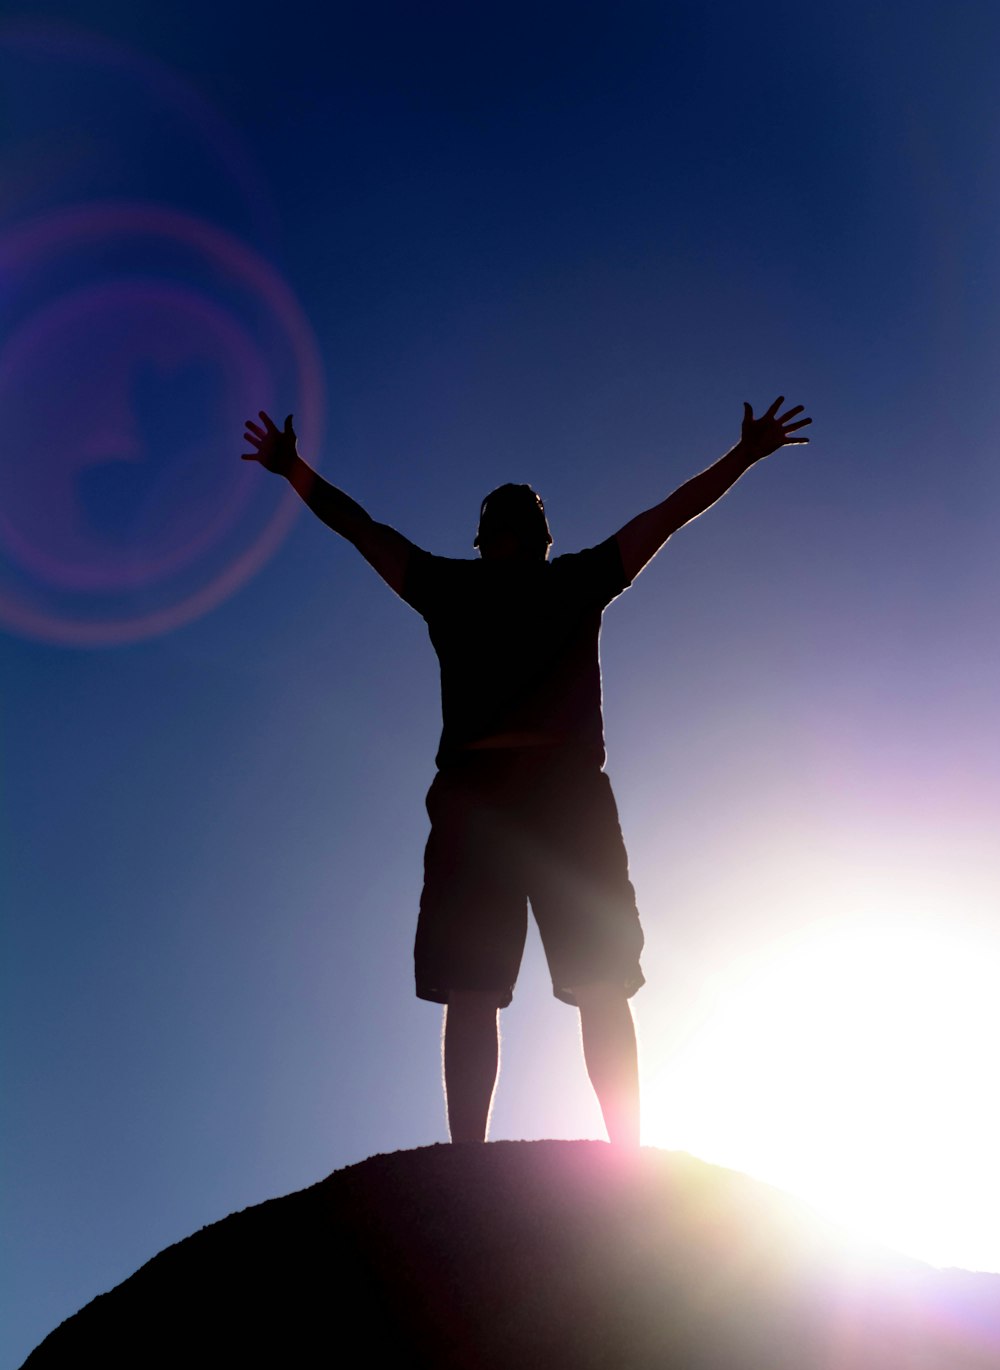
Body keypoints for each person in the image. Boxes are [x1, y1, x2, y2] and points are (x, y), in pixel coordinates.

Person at [241, 397, 810, 1147]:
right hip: (530, 797)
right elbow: (664, 515)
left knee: (511, 986)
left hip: (516, 797)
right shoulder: (548, 582)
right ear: (537, 537)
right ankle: (576, 1160)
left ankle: (527, 1161)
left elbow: (363, 530)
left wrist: (292, 471)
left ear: (493, 537)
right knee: (556, 984)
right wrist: (741, 457)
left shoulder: (500, 585)